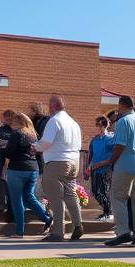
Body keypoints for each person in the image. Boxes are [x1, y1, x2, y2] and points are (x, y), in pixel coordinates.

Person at [104, 95, 135, 247]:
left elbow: (120, 145)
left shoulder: (123, 121)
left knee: (118, 197)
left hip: (125, 165)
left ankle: (123, 232)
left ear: (121, 105)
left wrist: (111, 162)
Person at [32, 94, 83, 242]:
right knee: (71, 194)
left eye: (49, 106)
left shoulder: (54, 121)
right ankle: (78, 224)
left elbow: (45, 143)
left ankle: (58, 232)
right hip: (74, 161)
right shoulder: (73, 122)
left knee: (55, 197)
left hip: (57, 162)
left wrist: (34, 147)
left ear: (53, 106)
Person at [2, 112, 51, 237]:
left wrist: (4, 165)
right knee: (28, 197)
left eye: (13, 122)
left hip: (17, 169)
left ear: (18, 122)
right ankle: (47, 219)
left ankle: (19, 231)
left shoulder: (17, 134)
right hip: (32, 169)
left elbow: (9, 153)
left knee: (17, 200)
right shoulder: (33, 135)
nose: (11, 124)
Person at [83, 115, 115, 221]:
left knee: (104, 191)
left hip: (105, 170)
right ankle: (106, 210)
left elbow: (113, 156)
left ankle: (108, 212)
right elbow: (90, 155)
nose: (95, 127)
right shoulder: (94, 140)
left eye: (97, 124)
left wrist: (101, 164)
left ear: (102, 126)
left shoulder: (110, 139)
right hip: (94, 169)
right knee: (95, 192)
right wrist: (88, 167)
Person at [0, 109, 15, 216]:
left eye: (10, 117)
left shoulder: (16, 130)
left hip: (9, 159)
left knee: (5, 180)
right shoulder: (3, 130)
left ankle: (7, 204)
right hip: (3, 158)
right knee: (0, 180)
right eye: (7, 117)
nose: (8, 119)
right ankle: (3, 203)